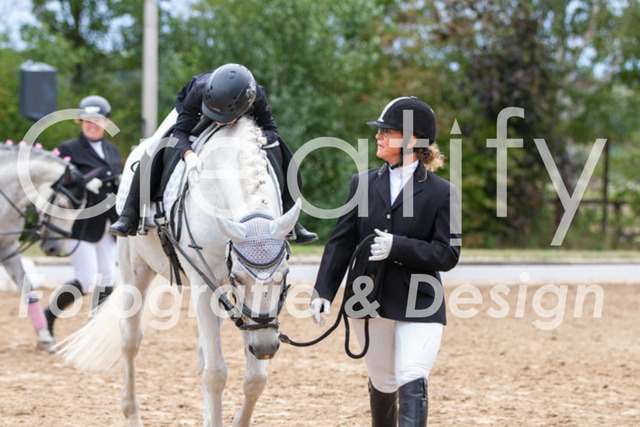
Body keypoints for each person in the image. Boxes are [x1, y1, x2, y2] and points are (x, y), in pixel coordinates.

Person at [310, 97, 461, 426]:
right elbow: (341, 242)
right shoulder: (362, 184)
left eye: (386, 132)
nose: (377, 136)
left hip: (419, 301)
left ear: (411, 140)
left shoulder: (442, 193)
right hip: (369, 298)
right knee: (383, 381)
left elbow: (448, 254)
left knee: (412, 376)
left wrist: (398, 247)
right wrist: (323, 290)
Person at [109, 63, 317, 243]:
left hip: (241, 122)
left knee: (280, 147)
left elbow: (271, 131)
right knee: (155, 145)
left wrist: (251, 141)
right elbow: (180, 132)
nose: (218, 122)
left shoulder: (256, 96)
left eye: (222, 118)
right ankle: (129, 214)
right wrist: (189, 155)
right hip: (193, 113)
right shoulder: (198, 90)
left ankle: (293, 220)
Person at [44, 95, 122, 336]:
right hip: (80, 224)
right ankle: (49, 315)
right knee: (86, 280)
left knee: (108, 277)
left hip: (108, 223)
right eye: (87, 120)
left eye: (97, 120)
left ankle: (96, 329)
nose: (92, 125)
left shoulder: (112, 151)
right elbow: (56, 182)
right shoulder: (68, 149)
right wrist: (82, 183)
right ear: (80, 122)